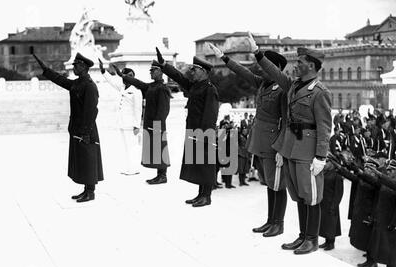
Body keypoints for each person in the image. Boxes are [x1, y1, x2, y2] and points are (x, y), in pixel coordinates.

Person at [249, 33, 332, 254]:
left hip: (308, 149)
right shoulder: (294, 86)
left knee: (311, 195)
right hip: (292, 146)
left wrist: (321, 157)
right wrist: (258, 54)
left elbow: (325, 127)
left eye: (300, 62)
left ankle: (312, 239)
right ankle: (302, 236)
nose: (296, 66)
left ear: (312, 66)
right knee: (299, 194)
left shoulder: (320, 92)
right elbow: (275, 73)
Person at [209, 41, 288, 237]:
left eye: (267, 65)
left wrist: (282, 148)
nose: (262, 69)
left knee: (278, 184)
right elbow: (241, 71)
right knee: (269, 183)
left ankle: (279, 223)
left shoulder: (283, 89)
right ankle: (270, 221)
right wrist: (223, 57)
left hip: (274, 143)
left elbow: (286, 122)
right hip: (261, 141)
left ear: (276, 68)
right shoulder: (263, 83)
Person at [33, 53, 103, 202]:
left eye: (76, 65)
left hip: (86, 130)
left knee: (88, 159)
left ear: (84, 67)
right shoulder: (77, 83)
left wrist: (85, 132)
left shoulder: (90, 86)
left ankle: (90, 192)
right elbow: (61, 80)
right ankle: (85, 190)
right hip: (77, 129)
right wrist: (46, 70)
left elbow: (91, 111)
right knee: (82, 160)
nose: (74, 68)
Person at [155, 47, 219, 207]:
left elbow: (210, 115)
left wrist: (203, 135)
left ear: (204, 71)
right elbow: (179, 77)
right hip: (194, 131)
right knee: (199, 164)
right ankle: (200, 194)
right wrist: (164, 65)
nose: (192, 72)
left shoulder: (210, 89)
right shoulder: (197, 86)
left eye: (195, 70)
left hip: (204, 133)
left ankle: (207, 196)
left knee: (205, 164)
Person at [112, 61, 171, 185]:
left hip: (157, 124)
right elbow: (137, 82)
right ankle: (159, 175)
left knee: (160, 148)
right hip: (151, 123)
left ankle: (163, 175)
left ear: (160, 72)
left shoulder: (162, 88)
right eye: (150, 70)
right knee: (155, 149)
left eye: (153, 70)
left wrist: (158, 125)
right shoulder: (151, 86)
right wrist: (122, 76)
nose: (151, 72)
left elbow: (164, 110)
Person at [99, 60, 143, 175]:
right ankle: (129, 167)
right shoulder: (122, 87)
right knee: (126, 146)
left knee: (133, 146)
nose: (127, 78)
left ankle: (135, 168)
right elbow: (112, 82)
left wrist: (137, 125)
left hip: (131, 124)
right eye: (125, 76)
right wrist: (104, 71)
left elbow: (138, 109)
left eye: (130, 76)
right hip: (122, 122)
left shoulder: (136, 90)